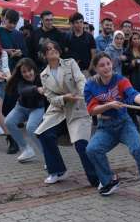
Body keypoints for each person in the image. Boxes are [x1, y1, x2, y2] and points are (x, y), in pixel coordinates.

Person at [84, 52, 140, 205]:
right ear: (96, 68)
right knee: (92, 149)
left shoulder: (120, 79)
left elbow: (132, 94)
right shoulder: (90, 84)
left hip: (124, 123)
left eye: (108, 63)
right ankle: (109, 181)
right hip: (105, 127)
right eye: (102, 65)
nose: (106, 67)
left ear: (112, 64)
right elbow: (91, 110)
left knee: (138, 150)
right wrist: (109, 105)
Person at [35, 41, 99, 186]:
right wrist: (64, 98)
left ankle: (96, 179)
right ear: (45, 55)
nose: (53, 50)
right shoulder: (44, 75)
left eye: (55, 48)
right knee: (44, 134)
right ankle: (57, 171)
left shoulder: (70, 63)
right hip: (58, 111)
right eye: (49, 49)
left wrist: (85, 94)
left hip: (77, 107)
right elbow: (50, 98)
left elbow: (81, 79)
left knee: (81, 144)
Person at [4, 58, 46, 162]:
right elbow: (23, 90)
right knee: (8, 122)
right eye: (24, 72)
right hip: (21, 108)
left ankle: (48, 156)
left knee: (30, 127)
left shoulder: (42, 77)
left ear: (34, 69)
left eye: (29, 70)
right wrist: (37, 89)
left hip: (37, 108)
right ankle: (27, 149)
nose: (27, 74)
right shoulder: (20, 81)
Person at [122, 31, 140, 140]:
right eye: (134, 38)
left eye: (138, 38)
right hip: (131, 81)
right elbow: (124, 69)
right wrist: (131, 64)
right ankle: (134, 129)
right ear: (131, 40)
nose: (136, 40)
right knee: (131, 106)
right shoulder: (127, 52)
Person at [65, 12, 96, 76]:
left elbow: (93, 55)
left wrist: (89, 70)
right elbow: (66, 55)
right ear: (73, 24)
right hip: (72, 71)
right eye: (77, 22)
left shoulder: (89, 37)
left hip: (86, 70)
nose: (79, 24)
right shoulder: (68, 37)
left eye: (81, 22)